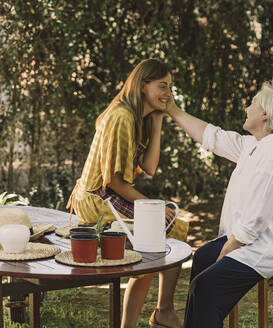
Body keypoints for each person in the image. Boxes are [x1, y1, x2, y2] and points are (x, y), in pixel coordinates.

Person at [164, 83, 273, 327]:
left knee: (206, 287)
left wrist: (228, 249)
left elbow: (256, 219)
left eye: (253, 103)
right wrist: (172, 110)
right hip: (249, 238)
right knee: (202, 258)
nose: (247, 107)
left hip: (268, 246)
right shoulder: (256, 145)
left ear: (265, 114)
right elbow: (213, 137)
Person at [67, 58, 188, 328]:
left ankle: (156, 314)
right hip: (96, 198)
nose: (169, 93)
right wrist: (154, 208)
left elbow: (150, 167)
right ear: (142, 85)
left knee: (162, 233)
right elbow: (113, 182)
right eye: (163, 86)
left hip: (109, 192)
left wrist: (157, 124)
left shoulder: (138, 117)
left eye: (170, 87)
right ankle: (162, 312)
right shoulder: (121, 115)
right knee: (168, 226)